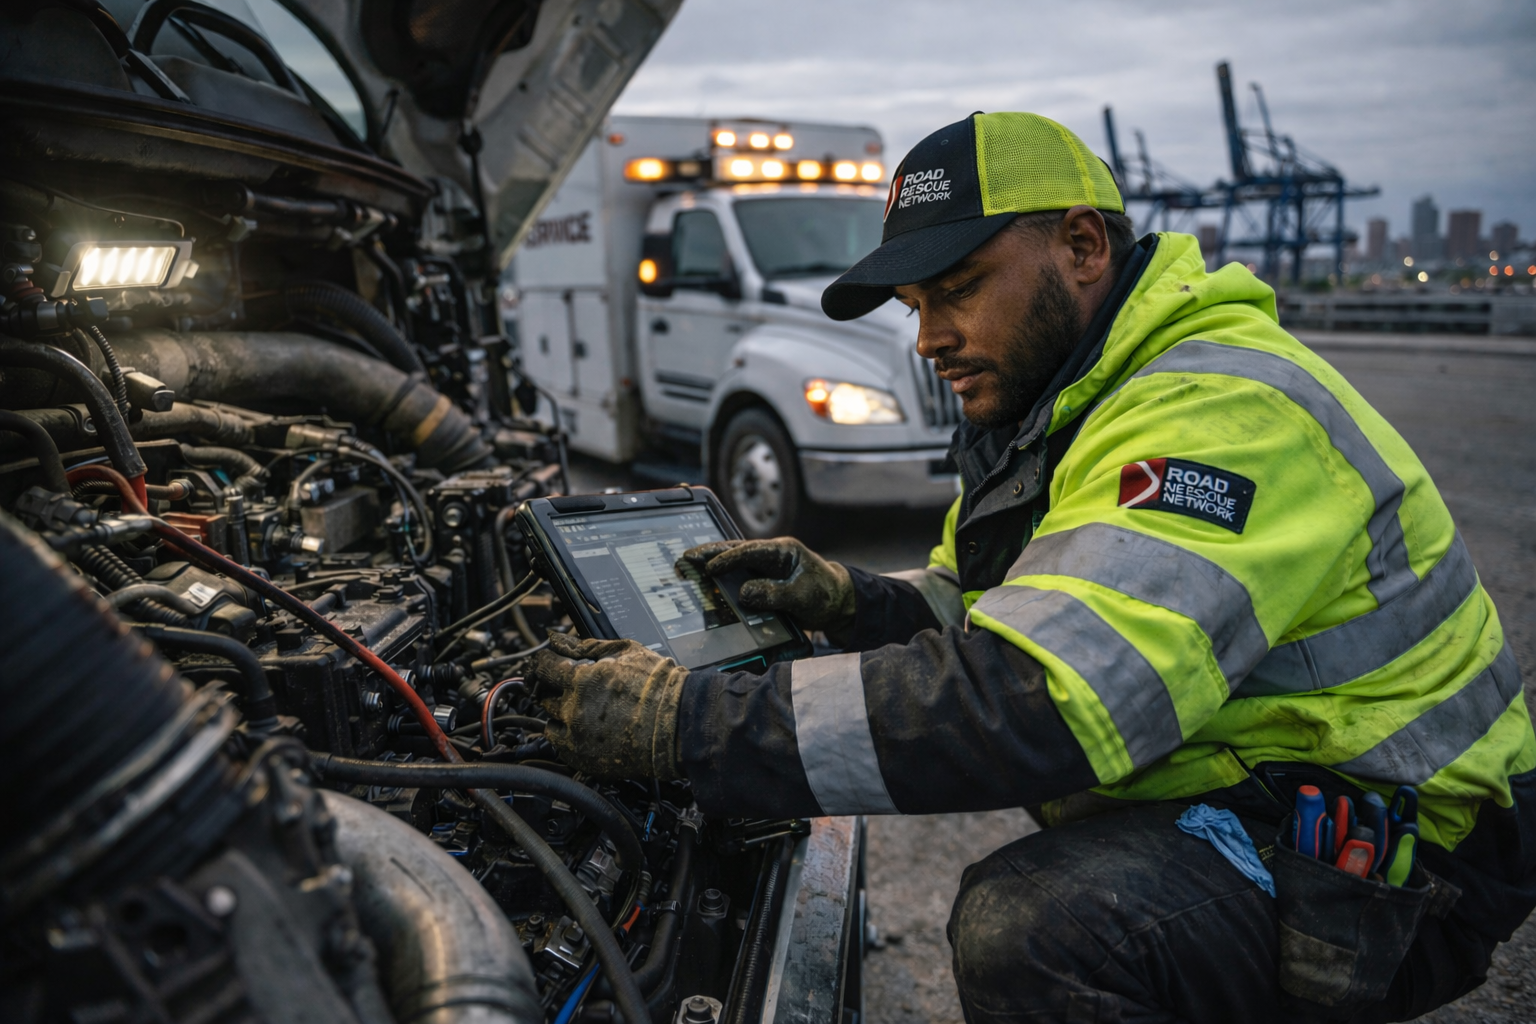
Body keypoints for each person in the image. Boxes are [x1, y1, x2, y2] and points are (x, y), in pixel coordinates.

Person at [526, 113, 1536, 1022]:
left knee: (1039, 928)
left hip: (1406, 849)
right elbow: (990, 613)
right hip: (1271, 784)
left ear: (1083, 245)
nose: (929, 339)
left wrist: (688, 725)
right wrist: (848, 599)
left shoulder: (1215, 411)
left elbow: (1047, 698)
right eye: (916, 305)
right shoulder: (1060, 412)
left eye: (958, 290)